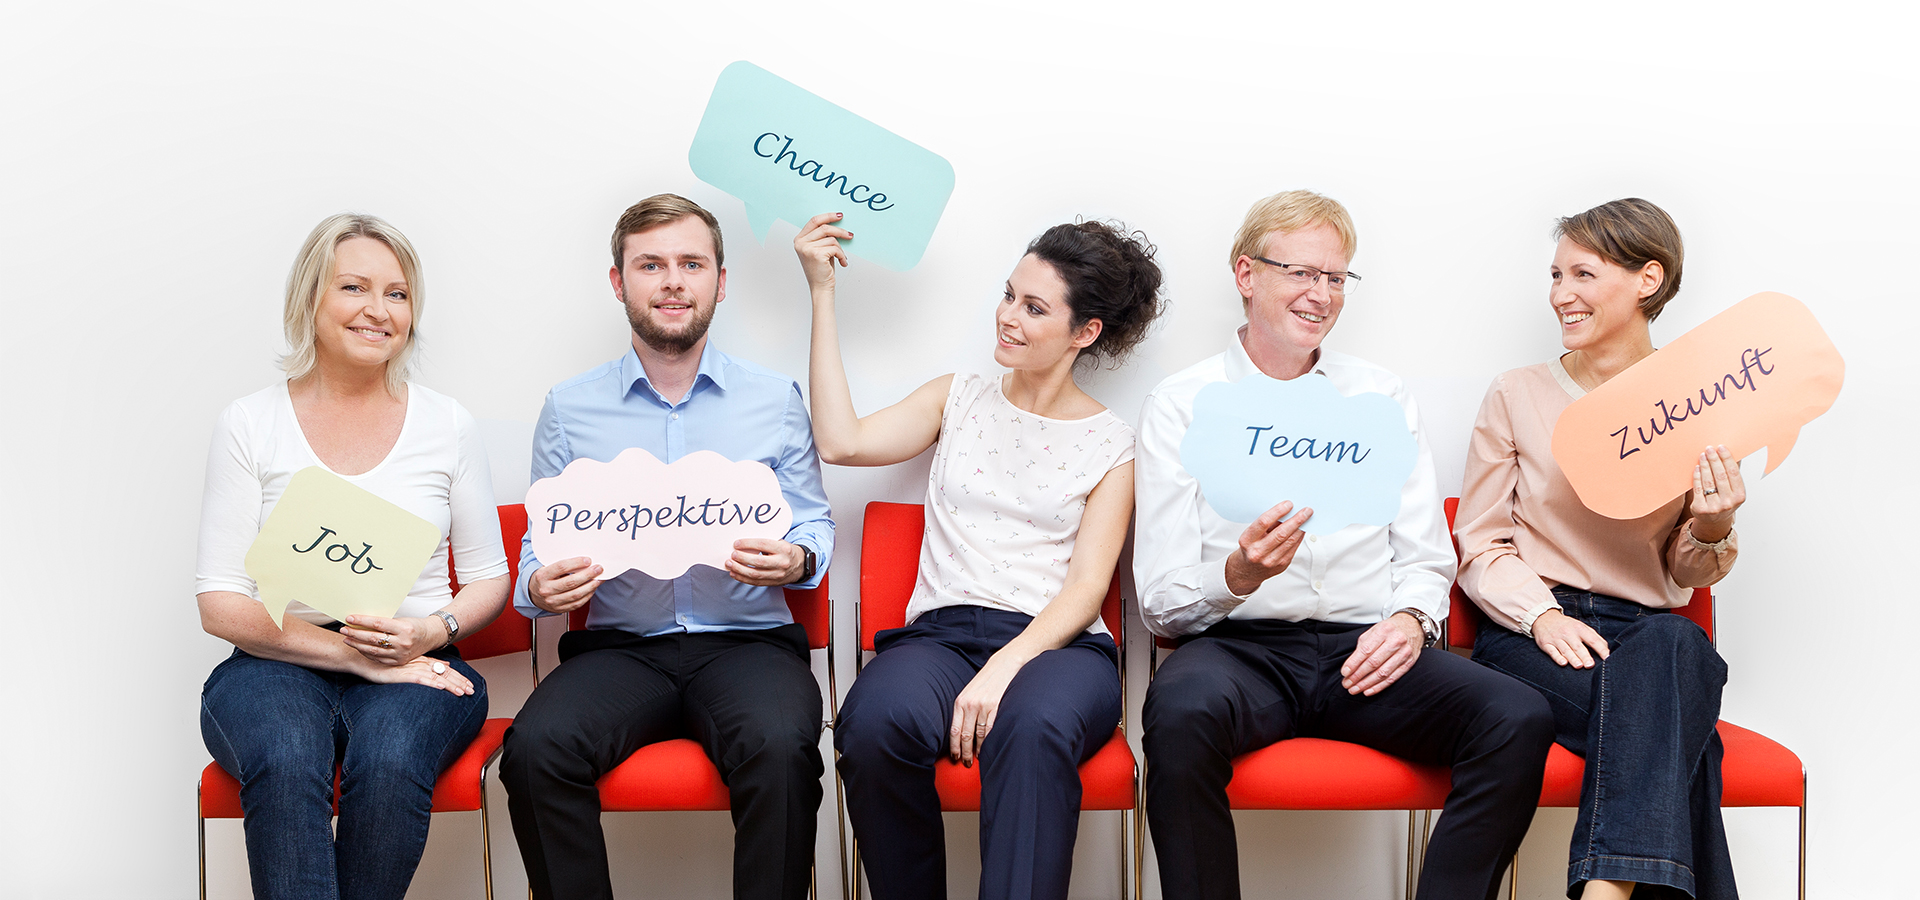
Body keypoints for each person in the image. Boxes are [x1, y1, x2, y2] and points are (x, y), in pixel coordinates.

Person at [1135, 190, 1556, 900]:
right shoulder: (1181, 403)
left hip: (1366, 651)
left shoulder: (1380, 397)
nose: (1321, 294)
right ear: (1246, 274)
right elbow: (1158, 601)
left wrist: (1411, 621)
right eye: (1301, 272)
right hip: (1239, 652)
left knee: (1517, 715)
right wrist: (1236, 574)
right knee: (1179, 713)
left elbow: (1425, 556)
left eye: (1335, 277)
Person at [799, 211, 1164, 900]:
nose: (1008, 317)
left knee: (1032, 727)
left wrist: (1006, 665)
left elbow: (1087, 589)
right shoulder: (957, 397)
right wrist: (822, 293)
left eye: (1034, 308)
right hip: (939, 638)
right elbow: (841, 443)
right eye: (1008, 295)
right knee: (872, 724)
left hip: (1059, 649)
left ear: (1084, 333)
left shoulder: (1114, 445)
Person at [499, 193, 834, 900]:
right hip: (621, 649)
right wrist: (538, 586)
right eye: (650, 265)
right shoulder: (568, 408)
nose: (673, 281)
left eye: (691, 264)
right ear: (618, 282)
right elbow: (539, 545)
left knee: (781, 748)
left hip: (748, 645)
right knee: (532, 750)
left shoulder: (775, 401)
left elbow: (812, 524)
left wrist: (799, 559)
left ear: (720, 281)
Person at [196, 213, 512, 900]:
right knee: (285, 754)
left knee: (393, 758)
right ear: (309, 299)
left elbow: (489, 578)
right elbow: (220, 603)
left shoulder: (448, 424)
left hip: (418, 659)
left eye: (397, 294)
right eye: (353, 287)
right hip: (274, 660)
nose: (378, 309)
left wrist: (430, 631)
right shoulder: (250, 423)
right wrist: (352, 655)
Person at [1455, 198, 1743, 900]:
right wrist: (1542, 617)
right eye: (1556, 276)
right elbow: (1480, 541)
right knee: (1683, 725)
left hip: (1646, 633)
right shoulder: (1517, 393)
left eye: (1582, 274)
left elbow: (1686, 570)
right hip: (1533, 636)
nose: (1561, 295)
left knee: (1674, 646)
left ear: (1649, 279)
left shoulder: (1697, 403)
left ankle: (1604, 892)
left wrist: (1712, 526)